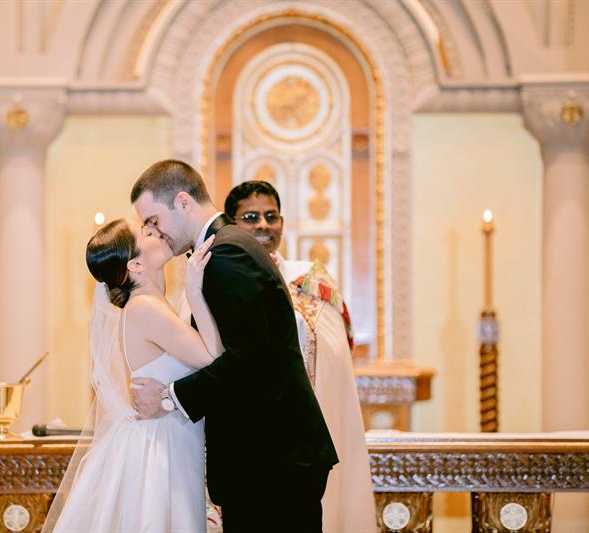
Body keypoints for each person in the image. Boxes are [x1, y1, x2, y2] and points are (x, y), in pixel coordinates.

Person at [130, 160, 338, 532]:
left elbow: (248, 360)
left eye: (153, 220)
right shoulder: (224, 248)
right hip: (268, 457)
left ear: (182, 201)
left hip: (272, 461)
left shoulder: (228, 255)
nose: (154, 233)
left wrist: (169, 398)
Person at [43, 218, 221, 532]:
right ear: (136, 263)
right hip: (160, 447)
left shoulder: (150, 306)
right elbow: (211, 357)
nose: (159, 232)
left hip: (167, 437)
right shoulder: (145, 309)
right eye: (148, 233)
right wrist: (195, 291)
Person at [224, 180, 376, 533]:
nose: (263, 224)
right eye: (251, 216)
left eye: (271, 216)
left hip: (302, 443)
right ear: (232, 225)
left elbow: (335, 351)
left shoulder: (310, 279)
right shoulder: (218, 277)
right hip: (245, 442)